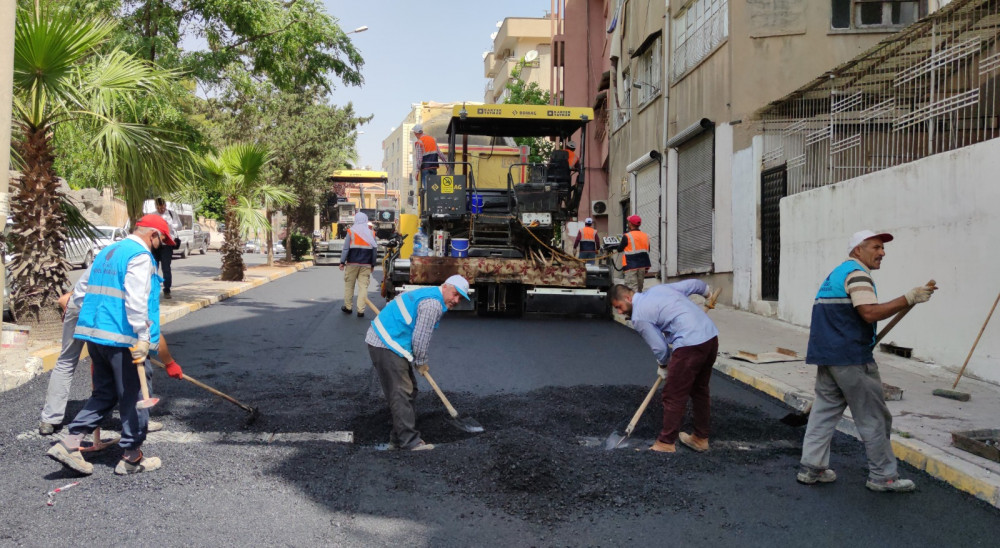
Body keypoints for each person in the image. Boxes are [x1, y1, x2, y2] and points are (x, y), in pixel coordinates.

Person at [797, 230, 936, 493]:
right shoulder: (857, 274)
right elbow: (869, 313)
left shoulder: (836, 274)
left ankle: (811, 467)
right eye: (876, 247)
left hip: (827, 355)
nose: (882, 252)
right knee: (874, 417)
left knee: (824, 412)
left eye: (883, 248)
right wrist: (908, 298)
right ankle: (883, 476)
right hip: (851, 358)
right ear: (858, 250)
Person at [46, 214, 184, 476]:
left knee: (105, 393)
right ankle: (132, 458)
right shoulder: (140, 256)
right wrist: (142, 337)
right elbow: (136, 300)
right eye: (161, 240)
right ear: (153, 235)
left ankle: (70, 443)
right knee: (135, 396)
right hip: (124, 340)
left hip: (96, 337)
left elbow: (81, 291)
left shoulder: (107, 252)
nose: (161, 246)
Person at [365, 275, 471, 451]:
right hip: (386, 343)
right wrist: (421, 362)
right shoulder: (433, 304)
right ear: (445, 286)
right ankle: (410, 442)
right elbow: (420, 339)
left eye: (460, 297)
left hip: (391, 341)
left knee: (409, 390)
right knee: (402, 392)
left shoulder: (429, 293)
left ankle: (397, 439)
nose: (456, 300)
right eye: (455, 294)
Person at [610, 281, 719, 453]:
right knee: (699, 390)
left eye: (619, 307)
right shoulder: (660, 289)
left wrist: (664, 365)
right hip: (710, 337)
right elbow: (694, 285)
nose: (619, 312)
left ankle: (666, 443)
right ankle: (700, 438)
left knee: (673, 393)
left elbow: (660, 348)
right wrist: (707, 293)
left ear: (627, 298)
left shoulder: (639, 316)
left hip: (689, 343)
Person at [340, 212, 379, 318]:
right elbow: (374, 251)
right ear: (366, 220)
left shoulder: (351, 231)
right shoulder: (371, 233)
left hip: (352, 263)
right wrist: (373, 264)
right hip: (366, 264)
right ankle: (360, 310)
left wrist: (342, 262)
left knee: (349, 286)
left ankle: (348, 307)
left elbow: (346, 249)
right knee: (363, 287)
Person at [617, 215, 651, 292]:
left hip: (630, 266)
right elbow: (648, 250)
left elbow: (619, 249)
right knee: (639, 288)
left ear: (630, 224)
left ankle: (633, 300)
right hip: (642, 265)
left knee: (631, 289)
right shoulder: (646, 236)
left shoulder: (627, 236)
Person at [154, 197, 180, 299]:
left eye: (163, 207)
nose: (161, 209)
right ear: (156, 207)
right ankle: (153, 289)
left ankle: (167, 290)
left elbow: (179, 226)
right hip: (156, 244)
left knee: (166, 268)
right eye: (159, 208)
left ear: (165, 205)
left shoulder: (171, 214)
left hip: (167, 244)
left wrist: (169, 225)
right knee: (153, 268)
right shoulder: (153, 215)